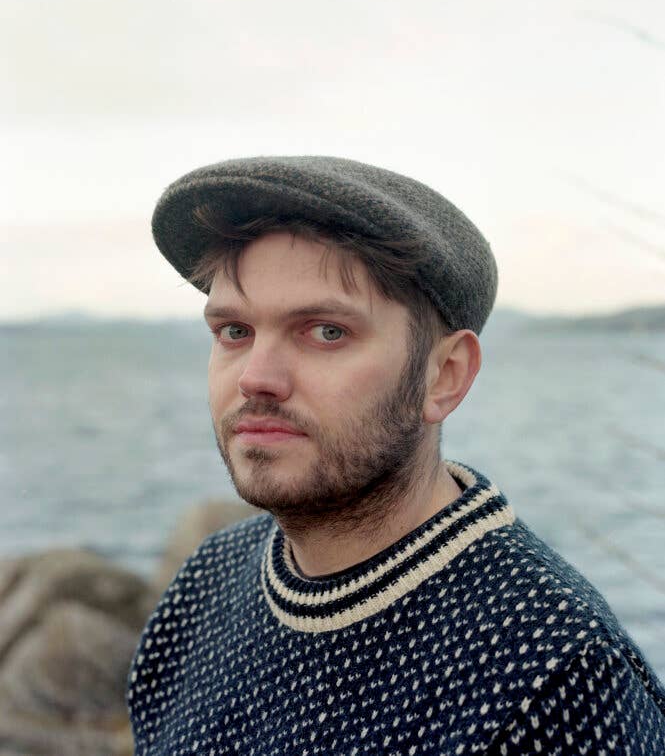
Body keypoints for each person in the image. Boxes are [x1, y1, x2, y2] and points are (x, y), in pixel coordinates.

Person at [127, 156, 665, 755]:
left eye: (326, 331)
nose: (256, 377)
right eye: (234, 332)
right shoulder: (209, 580)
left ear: (444, 375)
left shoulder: (553, 676)